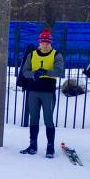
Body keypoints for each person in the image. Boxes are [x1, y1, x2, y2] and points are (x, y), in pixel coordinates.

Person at [19, 29, 65, 158]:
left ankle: (50, 147)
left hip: (48, 92)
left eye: (47, 42)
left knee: (48, 120)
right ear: (39, 42)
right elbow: (25, 71)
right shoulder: (32, 54)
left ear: (51, 43)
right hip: (33, 90)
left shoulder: (56, 55)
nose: (44, 44)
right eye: (42, 42)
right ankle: (33, 145)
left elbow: (60, 71)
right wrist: (34, 74)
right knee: (33, 118)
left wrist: (45, 72)